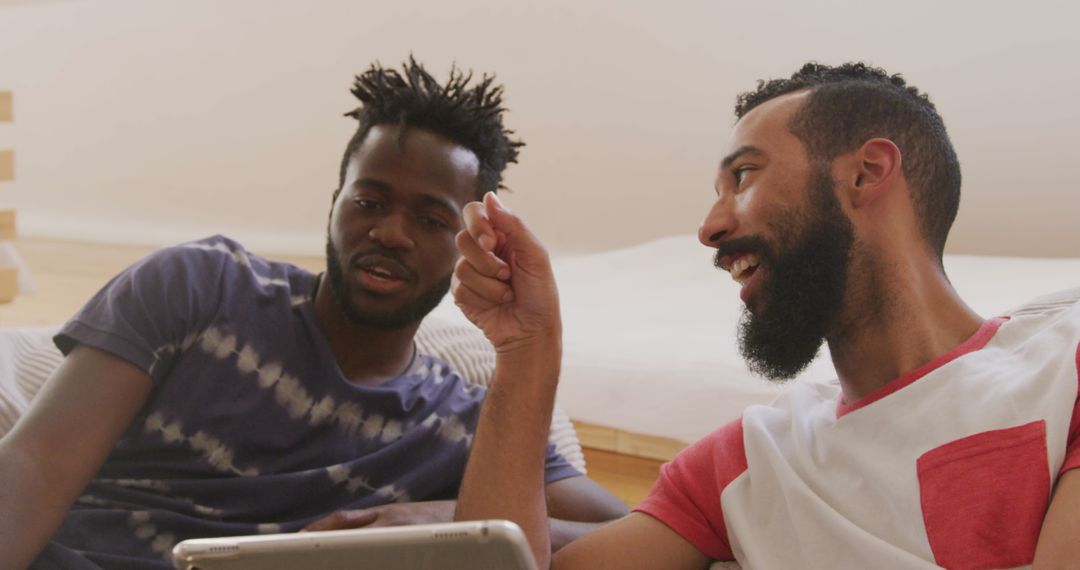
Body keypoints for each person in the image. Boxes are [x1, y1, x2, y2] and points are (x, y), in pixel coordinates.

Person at [0, 58, 626, 570]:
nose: (390, 232)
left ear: (474, 243)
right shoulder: (200, 286)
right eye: (369, 201)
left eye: (431, 220)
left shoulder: (463, 426)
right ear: (334, 205)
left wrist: (449, 518)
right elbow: (37, 464)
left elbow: (630, 532)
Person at [451, 62, 1080, 569]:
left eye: (744, 175)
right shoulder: (745, 462)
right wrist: (526, 347)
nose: (710, 227)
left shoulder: (1063, 363)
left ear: (866, 174)